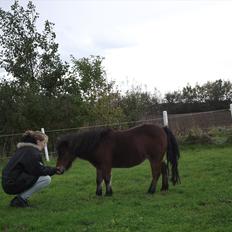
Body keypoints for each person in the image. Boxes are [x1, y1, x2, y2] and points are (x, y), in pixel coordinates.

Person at [2, 130, 61, 208]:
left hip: (9, 182)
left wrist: (53, 169)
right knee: (46, 179)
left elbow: (35, 169)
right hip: (12, 184)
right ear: (38, 141)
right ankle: (19, 200)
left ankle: (21, 198)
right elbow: (39, 170)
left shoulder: (25, 150)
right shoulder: (32, 152)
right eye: (44, 143)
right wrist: (55, 170)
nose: (44, 145)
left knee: (41, 176)